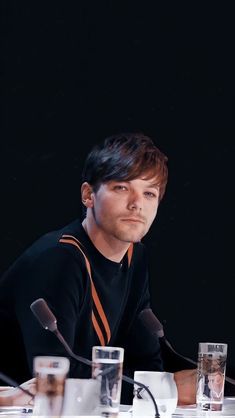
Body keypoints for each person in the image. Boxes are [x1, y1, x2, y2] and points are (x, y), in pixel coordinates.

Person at [0, 132, 196, 405]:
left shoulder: (134, 256)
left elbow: (146, 360)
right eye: (121, 188)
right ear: (88, 195)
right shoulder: (59, 259)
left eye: (149, 193)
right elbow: (53, 380)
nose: (137, 204)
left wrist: (167, 383)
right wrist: (168, 390)